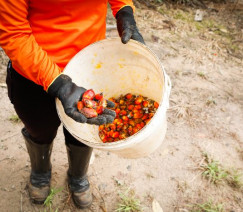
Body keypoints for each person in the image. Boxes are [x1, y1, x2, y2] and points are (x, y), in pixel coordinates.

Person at [0, 0, 144, 209]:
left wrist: (124, 10)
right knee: (39, 129)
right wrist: (60, 85)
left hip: (88, 63)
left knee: (83, 132)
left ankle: (78, 175)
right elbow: (13, 33)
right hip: (32, 70)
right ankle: (40, 171)